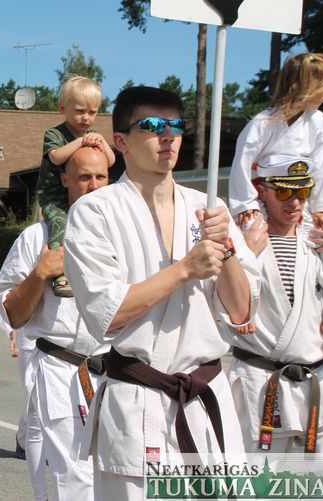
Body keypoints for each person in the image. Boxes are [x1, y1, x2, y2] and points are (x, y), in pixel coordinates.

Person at [63, 86, 259, 499]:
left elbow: (242, 312)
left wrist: (225, 249)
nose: (167, 136)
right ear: (121, 141)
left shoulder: (209, 208)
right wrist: (185, 269)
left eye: (176, 126)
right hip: (139, 401)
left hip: (205, 398)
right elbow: (108, 315)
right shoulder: (95, 211)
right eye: (152, 125)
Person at [0, 144, 111, 501]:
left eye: (101, 176)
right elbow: (13, 314)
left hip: (116, 371)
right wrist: (40, 273)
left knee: (114, 477)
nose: (94, 185)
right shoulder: (37, 238)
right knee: (73, 480)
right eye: (84, 177)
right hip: (63, 369)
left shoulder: (125, 234)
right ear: (65, 180)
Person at [227, 156, 323, 455]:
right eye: (283, 192)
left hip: (322, 381)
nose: (294, 202)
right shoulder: (241, 239)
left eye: (302, 193)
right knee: (266, 481)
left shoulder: (321, 237)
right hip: (263, 380)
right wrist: (244, 254)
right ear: (262, 191)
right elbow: (220, 298)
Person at [229, 53, 323, 227]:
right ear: (308, 89)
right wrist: (245, 204)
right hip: (262, 200)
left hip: (300, 202)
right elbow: (242, 165)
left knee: (321, 237)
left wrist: (321, 208)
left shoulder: (319, 122)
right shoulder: (262, 123)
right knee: (253, 234)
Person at [35, 75, 115, 298]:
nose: (86, 118)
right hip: (55, 196)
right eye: (80, 111)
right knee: (60, 224)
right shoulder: (55, 134)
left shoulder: (91, 135)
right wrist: (80, 142)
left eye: (92, 112)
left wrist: (101, 142)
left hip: (81, 196)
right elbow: (56, 157)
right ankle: (60, 274)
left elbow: (110, 161)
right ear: (63, 108)